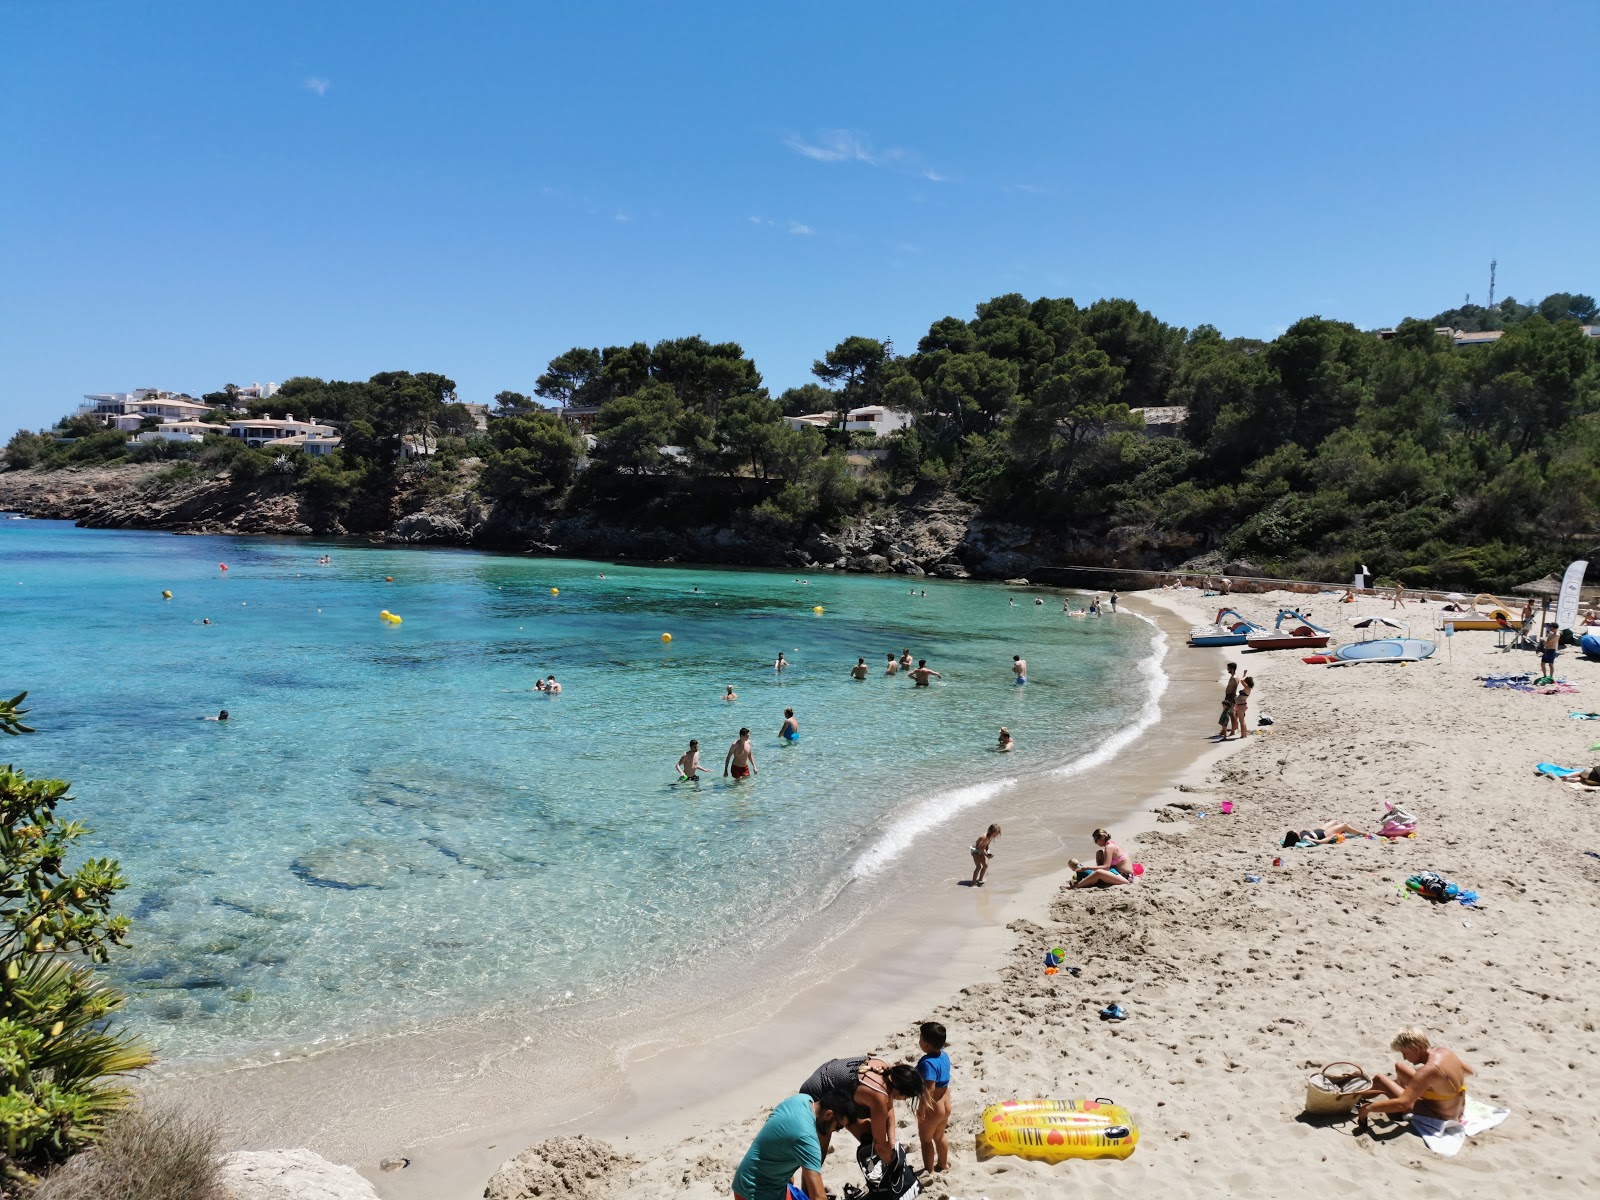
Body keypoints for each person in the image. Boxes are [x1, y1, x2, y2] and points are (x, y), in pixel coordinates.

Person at [733, 1089, 862, 1200]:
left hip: (747, 1180)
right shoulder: (807, 1139)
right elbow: (818, 1197)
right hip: (755, 1194)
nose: (837, 1131)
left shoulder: (802, 1100)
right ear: (828, 1115)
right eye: (838, 1126)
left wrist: (787, 1176)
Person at [797, 1057, 925, 1166]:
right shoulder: (879, 1096)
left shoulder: (887, 1072)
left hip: (836, 1084)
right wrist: (894, 1165)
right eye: (907, 1097)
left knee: (868, 1139)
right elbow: (880, 1144)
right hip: (818, 1092)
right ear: (900, 1091)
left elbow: (889, 1110)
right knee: (819, 1153)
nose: (904, 1100)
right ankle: (807, 1193)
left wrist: (891, 1141)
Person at [1358, 1028, 1473, 1126]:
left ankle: (1353, 1097)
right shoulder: (1444, 1052)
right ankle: (1402, 1088)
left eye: (1405, 1053)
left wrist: (1367, 1109)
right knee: (1399, 1067)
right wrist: (1441, 1085)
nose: (1404, 1058)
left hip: (1441, 1115)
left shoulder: (1428, 1070)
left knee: (1380, 1080)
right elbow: (1468, 1071)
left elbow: (1403, 1104)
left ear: (1415, 1049)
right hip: (1457, 1109)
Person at [915, 1023, 952, 1175]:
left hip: (934, 1106)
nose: (919, 1041)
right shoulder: (944, 1055)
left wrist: (922, 1108)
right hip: (946, 1102)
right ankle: (943, 1164)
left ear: (927, 1044)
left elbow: (929, 1088)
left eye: (920, 1038)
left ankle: (929, 1171)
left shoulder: (927, 1063)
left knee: (925, 1140)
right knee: (940, 1135)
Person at [1281, 822, 1368, 847]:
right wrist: (1331, 837)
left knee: (1335, 821)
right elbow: (1321, 842)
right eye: (1295, 832)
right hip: (1325, 833)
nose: (1296, 831)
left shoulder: (1301, 834)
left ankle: (1345, 830)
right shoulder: (1306, 838)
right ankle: (1362, 833)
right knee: (1344, 825)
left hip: (1319, 829)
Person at [1218, 663, 1239, 739]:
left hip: (1231, 698)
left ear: (1232, 669)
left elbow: (1234, 689)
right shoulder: (1233, 677)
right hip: (1229, 697)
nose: (1227, 669)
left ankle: (1233, 731)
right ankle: (1226, 730)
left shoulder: (1234, 678)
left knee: (1231, 714)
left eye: (1228, 668)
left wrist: (1230, 699)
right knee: (1229, 714)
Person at [1230, 672, 1254, 739]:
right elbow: (1243, 680)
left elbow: (1242, 680)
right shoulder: (1247, 688)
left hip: (1241, 705)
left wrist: (1244, 676)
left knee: (1241, 721)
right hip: (1241, 705)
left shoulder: (1247, 688)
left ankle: (1243, 735)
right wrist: (1244, 674)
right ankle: (1244, 734)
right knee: (1242, 720)